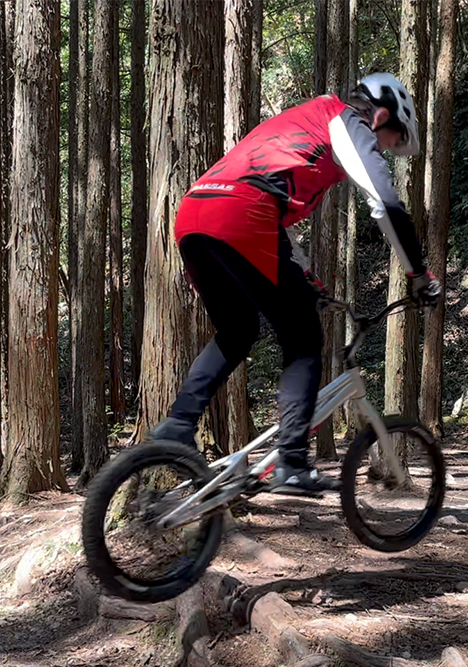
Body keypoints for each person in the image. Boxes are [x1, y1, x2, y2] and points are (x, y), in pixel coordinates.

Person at [152, 72, 441, 496]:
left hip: (195, 213)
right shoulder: (347, 121)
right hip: (240, 214)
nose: (384, 149)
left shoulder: (305, 124)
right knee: (303, 338)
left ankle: (176, 427)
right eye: (391, 138)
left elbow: (273, 218)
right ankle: (291, 461)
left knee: (238, 330)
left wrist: (306, 279)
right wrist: (418, 274)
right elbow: (385, 202)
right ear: (379, 115)